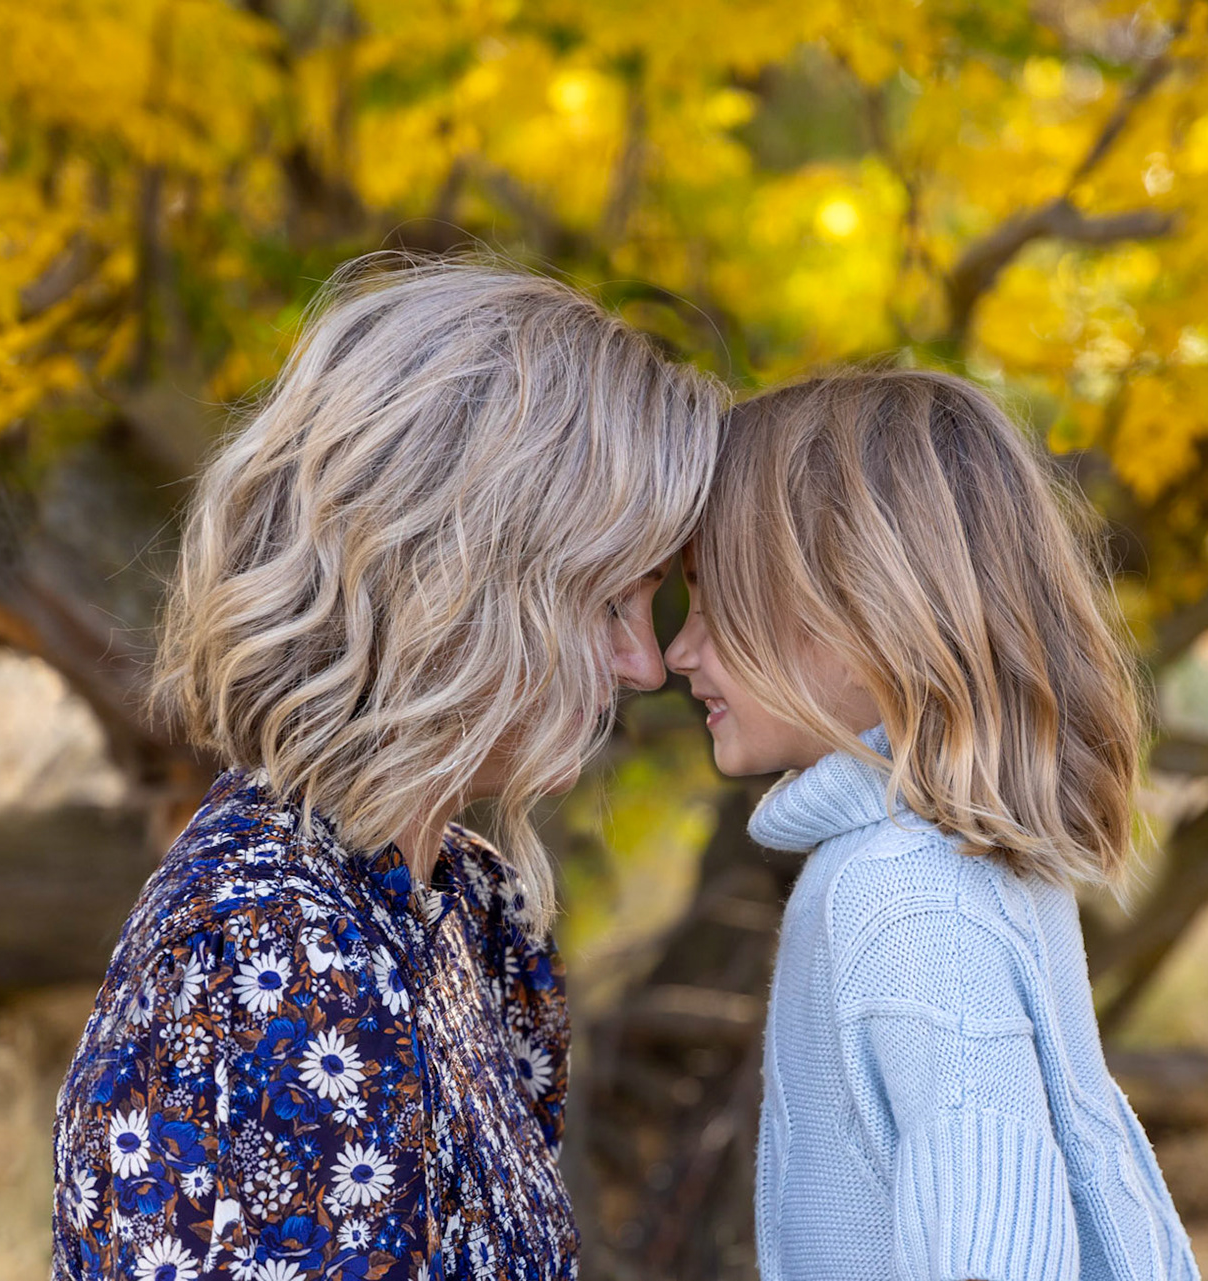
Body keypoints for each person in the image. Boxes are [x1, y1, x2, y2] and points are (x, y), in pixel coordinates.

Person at [51, 254, 723, 1281]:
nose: (643, 665)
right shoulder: (277, 960)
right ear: (458, 584)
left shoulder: (461, 909)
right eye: (608, 606)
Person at [665, 368, 1199, 1280]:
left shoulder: (909, 895)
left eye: (715, 604)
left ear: (848, 615)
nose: (679, 651)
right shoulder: (938, 855)